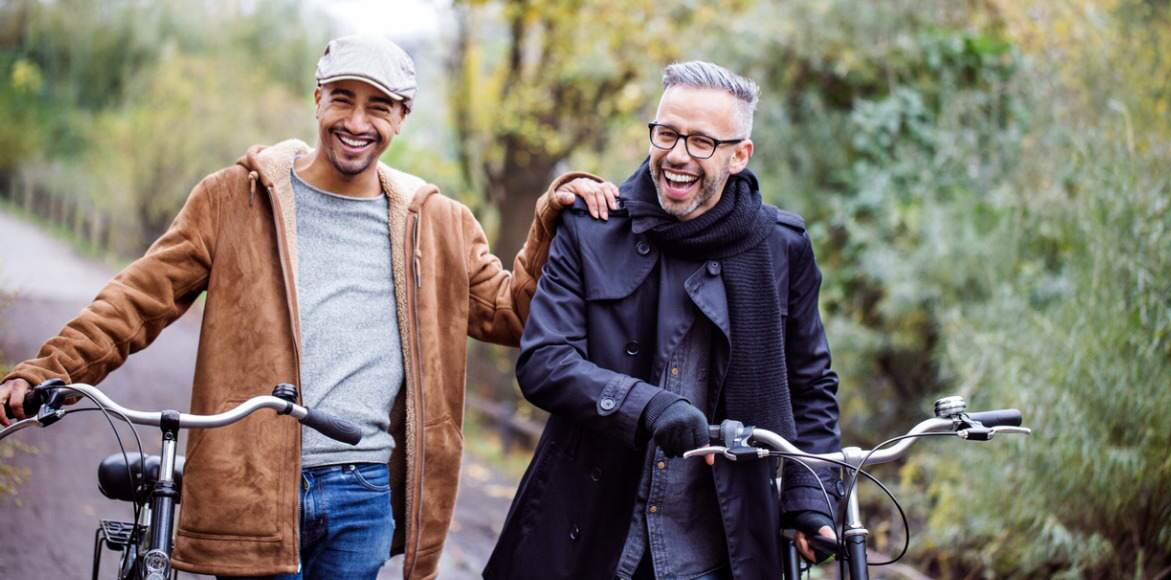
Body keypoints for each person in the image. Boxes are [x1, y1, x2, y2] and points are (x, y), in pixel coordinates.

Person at [0, 35, 611, 580]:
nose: (356, 120)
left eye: (378, 106)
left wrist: (549, 224)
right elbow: (137, 299)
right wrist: (49, 370)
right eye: (342, 98)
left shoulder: (439, 226)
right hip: (252, 484)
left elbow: (512, 313)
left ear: (402, 116)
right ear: (317, 100)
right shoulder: (234, 199)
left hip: (363, 491)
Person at [483, 61, 842, 580]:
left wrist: (811, 497)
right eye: (667, 133)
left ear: (740, 155)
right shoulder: (591, 227)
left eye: (701, 142)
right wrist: (646, 408)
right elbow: (543, 362)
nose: (677, 155)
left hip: (720, 549)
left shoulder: (781, 247)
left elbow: (810, 386)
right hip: (586, 532)